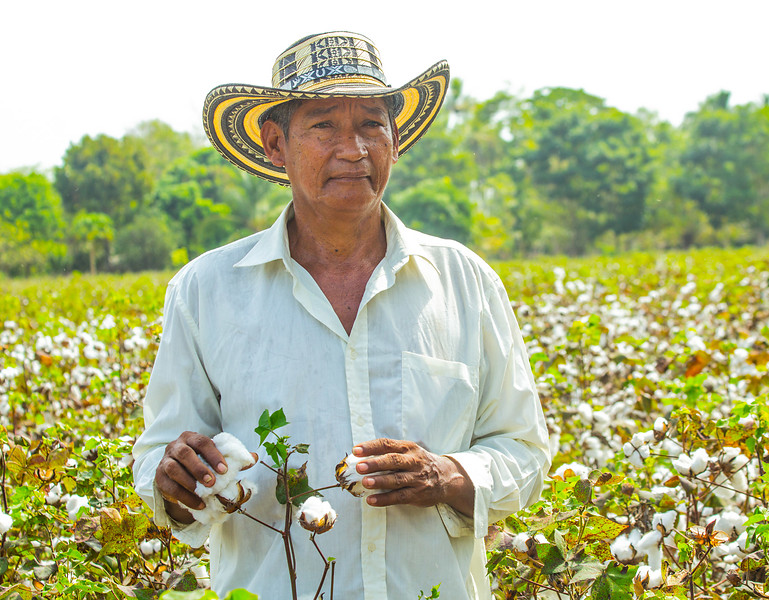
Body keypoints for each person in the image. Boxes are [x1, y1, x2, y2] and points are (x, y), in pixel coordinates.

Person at [132, 31, 550, 599]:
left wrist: (448, 475)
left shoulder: (464, 281)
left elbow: (523, 450)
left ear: (395, 140)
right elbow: (162, 466)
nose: (353, 149)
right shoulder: (205, 292)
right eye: (324, 125)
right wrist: (177, 482)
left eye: (372, 124)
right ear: (276, 145)